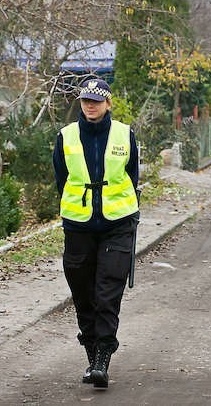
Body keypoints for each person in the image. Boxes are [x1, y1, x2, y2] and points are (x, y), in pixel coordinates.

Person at [52, 78, 140, 389]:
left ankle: (103, 356)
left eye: (97, 101)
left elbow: (132, 175)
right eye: (86, 101)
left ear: (108, 104)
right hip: (78, 225)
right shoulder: (66, 136)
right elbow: (61, 180)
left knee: (107, 293)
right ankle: (91, 354)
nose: (91, 106)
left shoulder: (124, 134)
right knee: (83, 293)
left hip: (119, 223)